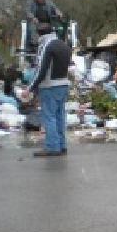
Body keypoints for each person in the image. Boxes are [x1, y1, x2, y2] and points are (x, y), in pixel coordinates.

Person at [21, 23, 72, 157]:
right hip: (63, 84)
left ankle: (52, 147)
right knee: (60, 116)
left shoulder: (46, 45)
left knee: (49, 117)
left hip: (50, 86)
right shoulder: (63, 45)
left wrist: (30, 88)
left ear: (39, 34)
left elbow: (41, 70)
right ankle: (62, 145)